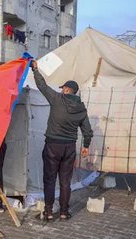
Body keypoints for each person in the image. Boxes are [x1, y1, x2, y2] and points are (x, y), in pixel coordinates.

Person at [31, 60, 93, 221]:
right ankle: (65, 212)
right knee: (66, 181)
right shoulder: (81, 108)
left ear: (67, 89)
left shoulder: (57, 99)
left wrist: (35, 70)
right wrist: (86, 146)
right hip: (69, 148)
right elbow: (87, 130)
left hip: (53, 146)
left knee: (50, 180)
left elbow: (42, 86)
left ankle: (49, 212)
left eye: (63, 88)